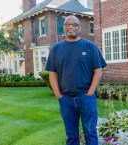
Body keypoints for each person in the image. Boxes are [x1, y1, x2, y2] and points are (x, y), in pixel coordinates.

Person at [45, 15, 106, 145]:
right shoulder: (56, 49)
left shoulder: (90, 47)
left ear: (80, 28)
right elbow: (52, 73)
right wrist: (58, 95)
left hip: (86, 98)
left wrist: (90, 93)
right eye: (68, 24)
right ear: (64, 27)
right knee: (71, 135)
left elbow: (98, 71)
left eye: (75, 24)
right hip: (66, 99)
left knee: (90, 133)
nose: (71, 26)